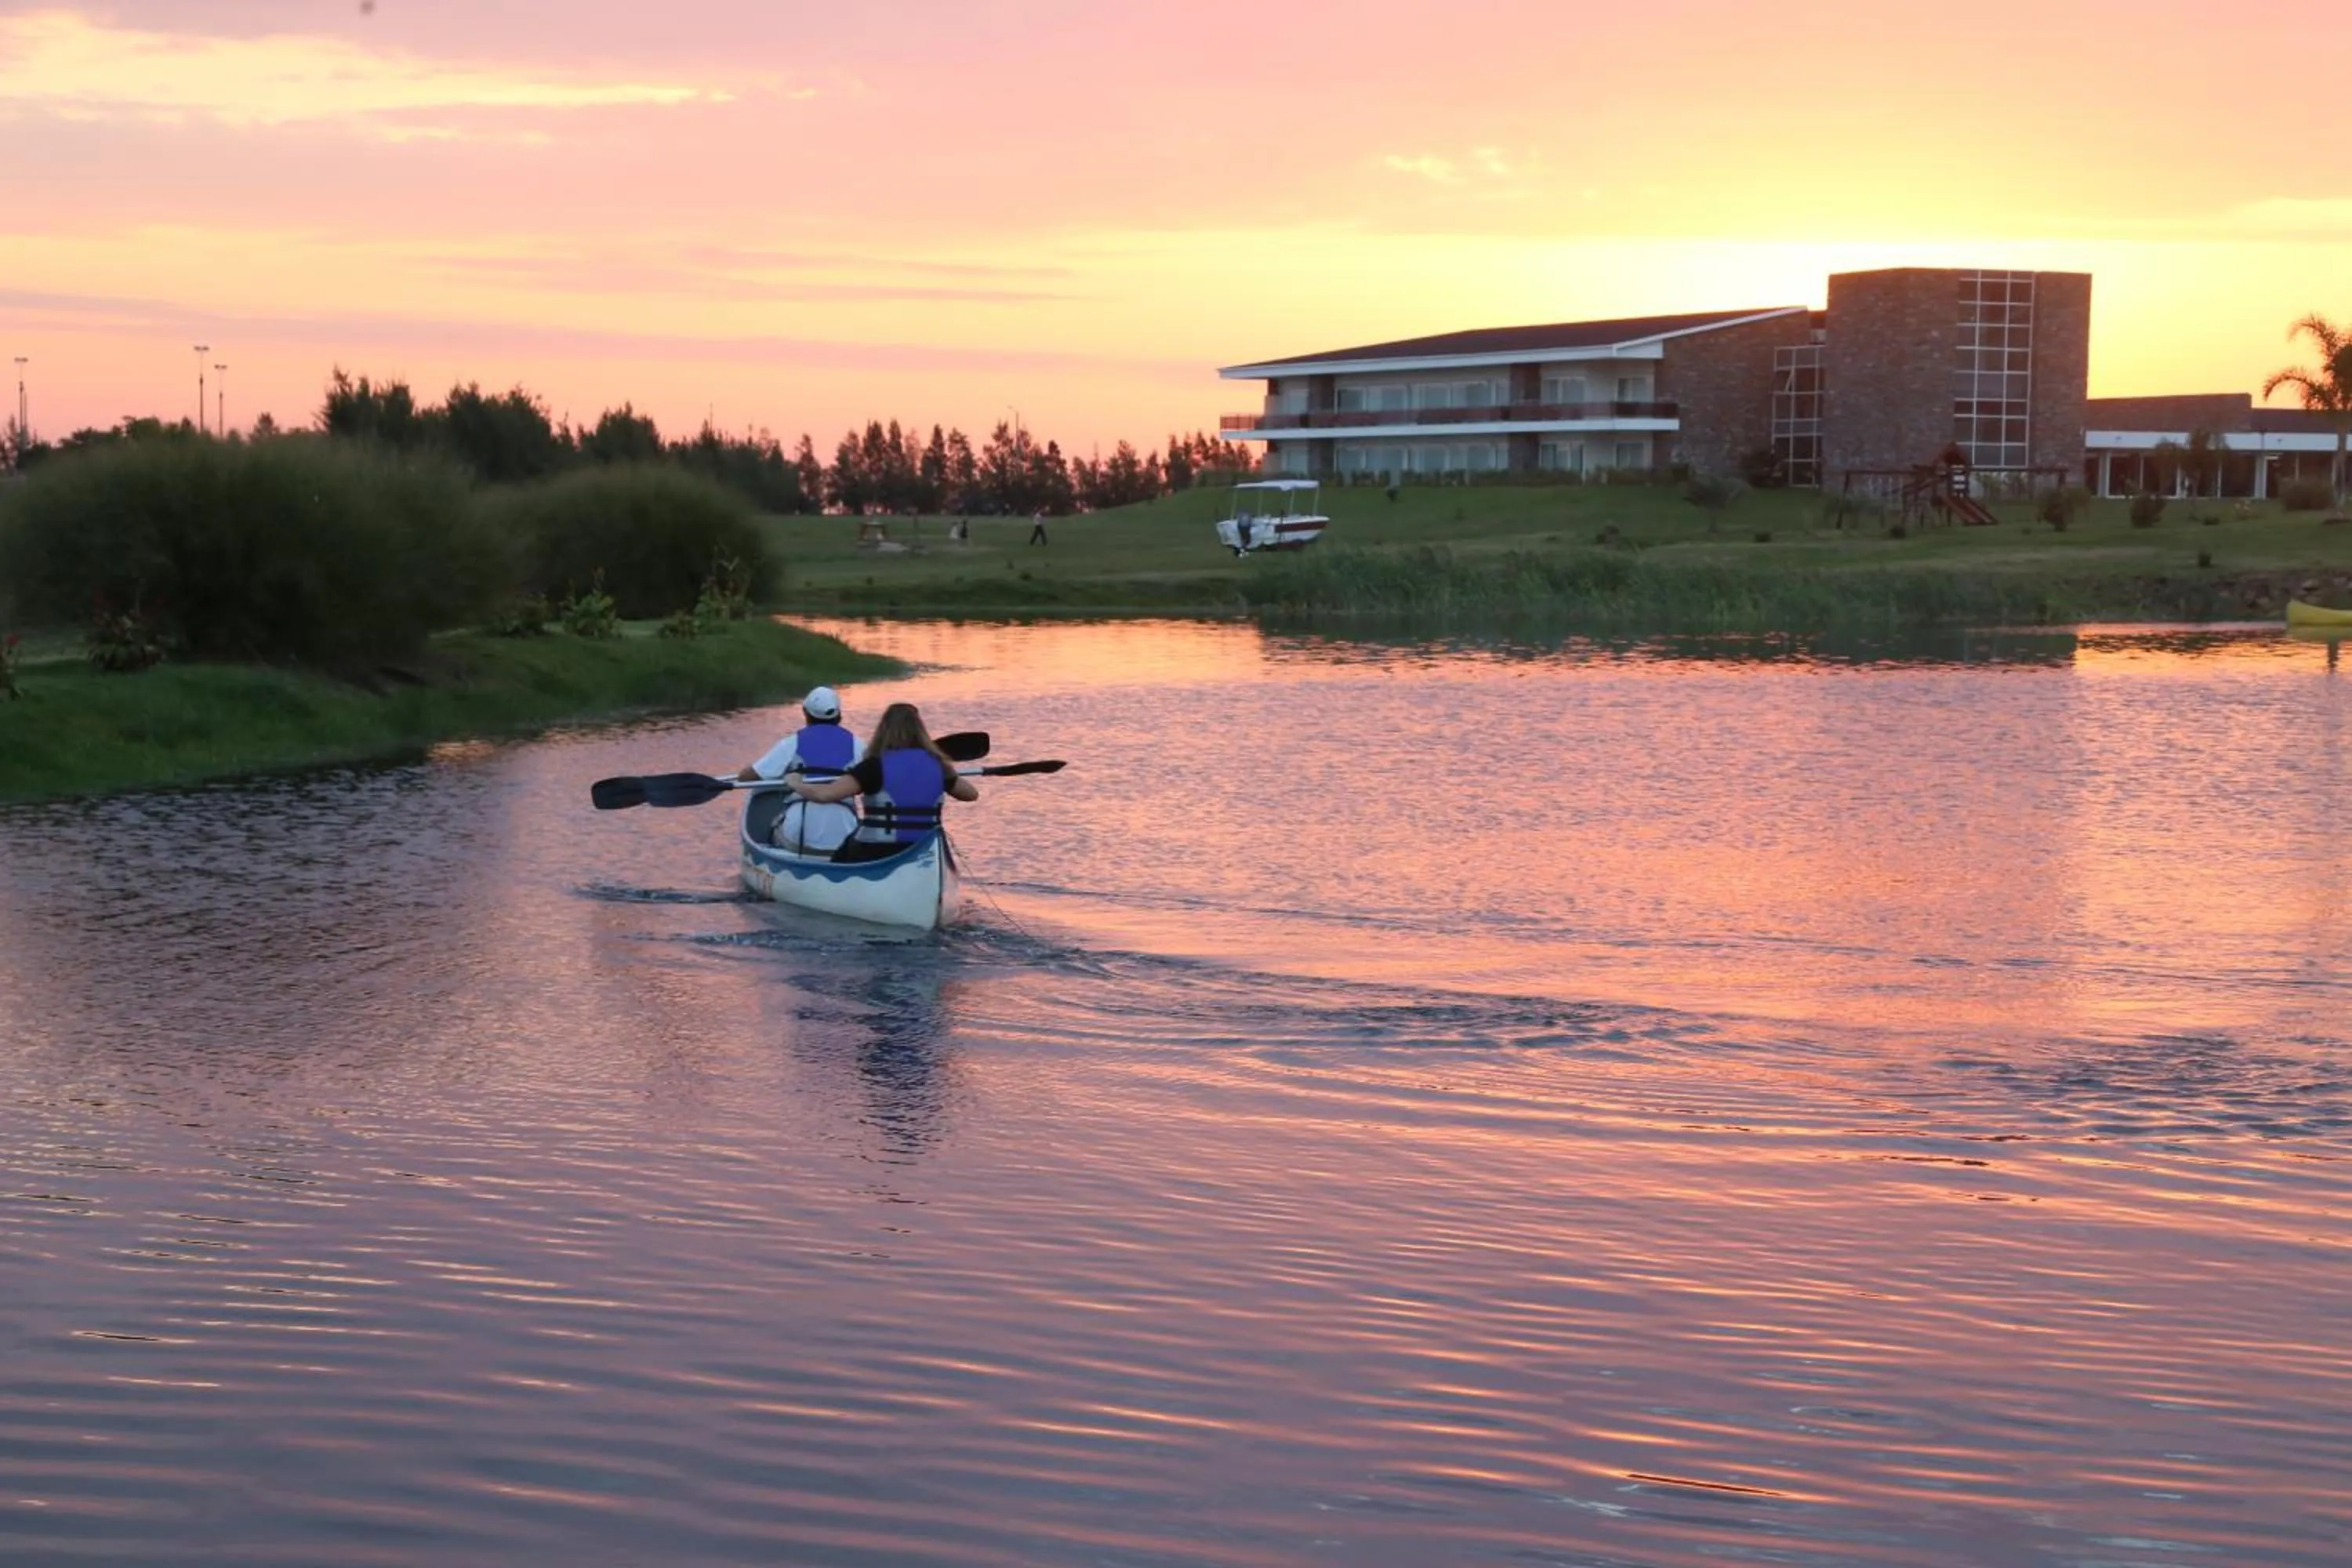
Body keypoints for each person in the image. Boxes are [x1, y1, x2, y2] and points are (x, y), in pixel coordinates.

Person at [789, 702, 978, 862]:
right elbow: (971, 794)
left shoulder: (873, 767)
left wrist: (796, 783)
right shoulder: (938, 766)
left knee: (841, 853)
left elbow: (824, 795)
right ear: (921, 731)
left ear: (883, 731)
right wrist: (946, 772)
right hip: (925, 849)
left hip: (877, 850)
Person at [739, 686, 862, 854]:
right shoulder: (858, 745)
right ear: (839, 715)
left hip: (798, 834)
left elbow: (747, 777)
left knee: (773, 828)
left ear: (805, 713)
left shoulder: (792, 743)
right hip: (844, 834)